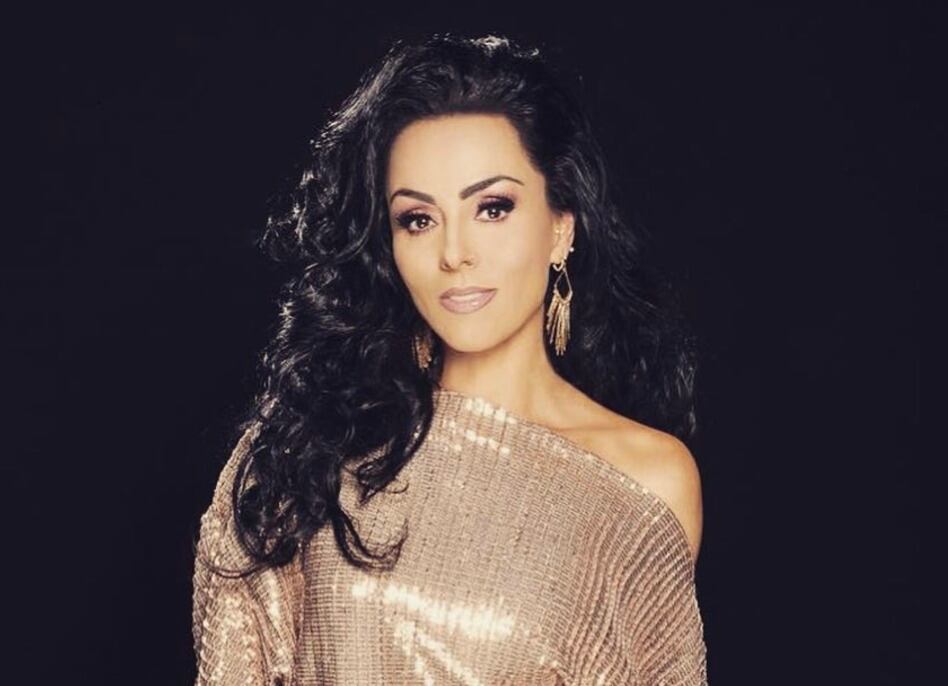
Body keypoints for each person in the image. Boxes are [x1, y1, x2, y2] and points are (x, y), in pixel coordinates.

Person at [192, 33, 708, 685]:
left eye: (492, 208)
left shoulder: (644, 482)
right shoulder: (314, 443)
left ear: (561, 227)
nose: (454, 253)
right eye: (418, 219)